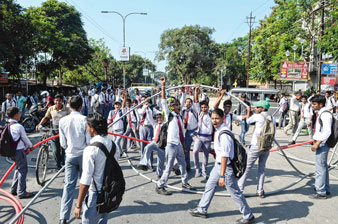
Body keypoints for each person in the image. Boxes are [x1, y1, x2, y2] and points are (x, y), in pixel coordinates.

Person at [188, 108, 255, 224]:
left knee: (234, 192)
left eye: (217, 118)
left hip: (226, 168)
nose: (214, 121)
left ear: (223, 119)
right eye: (212, 118)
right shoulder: (218, 130)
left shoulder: (224, 134)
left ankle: (248, 215)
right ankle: (202, 209)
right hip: (218, 165)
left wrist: (222, 176)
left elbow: (225, 157)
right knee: (209, 186)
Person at [74, 113, 120, 223]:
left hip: (95, 194)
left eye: (88, 126)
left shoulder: (90, 150)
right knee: (103, 220)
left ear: (92, 128)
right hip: (109, 192)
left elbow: (85, 181)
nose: (87, 129)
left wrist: (78, 205)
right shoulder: (114, 145)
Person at [156, 77, 193, 195]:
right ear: (172, 107)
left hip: (179, 145)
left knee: (183, 164)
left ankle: (184, 181)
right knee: (169, 166)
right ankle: (160, 185)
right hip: (171, 145)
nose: (179, 106)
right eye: (176, 105)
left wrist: (183, 91)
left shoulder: (180, 117)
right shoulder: (169, 115)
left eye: (178, 105)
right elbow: (163, 101)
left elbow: (182, 102)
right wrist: (163, 86)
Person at [58, 96, 91, 224]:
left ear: (69, 106)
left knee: (68, 186)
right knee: (86, 184)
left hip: (70, 156)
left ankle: (63, 217)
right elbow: (89, 141)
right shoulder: (85, 120)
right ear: (81, 107)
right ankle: (87, 212)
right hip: (83, 155)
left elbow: (63, 143)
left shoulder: (63, 120)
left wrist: (70, 147)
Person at [238, 100, 275, 198]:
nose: (256, 108)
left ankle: (240, 189)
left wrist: (249, 111)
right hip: (266, 146)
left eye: (258, 107)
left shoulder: (258, 116)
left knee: (247, 167)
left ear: (263, 108)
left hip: (256, 145)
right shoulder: (272, 118)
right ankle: (260, 191)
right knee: (262, 169)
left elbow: (247, 121)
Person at [37, 94, 71, 169]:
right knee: (55, 150)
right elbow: (46, 117)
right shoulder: (51, 109)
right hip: (54, 130)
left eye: (59, 100)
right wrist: (39, 124)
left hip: (64, 131)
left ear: (62, 101)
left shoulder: (67, 109)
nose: (57, 102)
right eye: (56, 100)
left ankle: (63, 163)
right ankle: (58, 164)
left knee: (64, 148)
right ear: (54, 101)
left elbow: (71, 119)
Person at [8, 107, 34, 199]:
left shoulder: (8, 125)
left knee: (18, 169)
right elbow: (25, 139)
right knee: (23, 170)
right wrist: (31, 146)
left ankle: (14, 189)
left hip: (11, 152)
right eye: (19, 113)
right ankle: (22, 192)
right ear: (15, 115)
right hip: (19, 151)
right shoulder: (18, 126)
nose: (20, 114)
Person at [310, 94, 332, 199]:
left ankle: (321, 191)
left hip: (322, 144)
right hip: (321, 142)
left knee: (320, 168)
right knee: (323, 167)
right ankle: (325, 189)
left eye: (314, 104)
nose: (313, 106)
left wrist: (318, 143)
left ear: (321, 104)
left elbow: (327, 131)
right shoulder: (321, 113)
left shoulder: (325, 114)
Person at [192, 84, 212, 179]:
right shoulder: (199, 113)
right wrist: (196, 90)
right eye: (202, 108)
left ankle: (204, 171)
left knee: (206, 155)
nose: (203, 109)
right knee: (195, 151)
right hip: (199, 136)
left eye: (205, 107)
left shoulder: (211, 114)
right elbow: (195, 101)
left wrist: (220, 95)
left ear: (208, 107)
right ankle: (197, 169)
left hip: (207, 137)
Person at [138, 113, 166, 179]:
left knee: (160, 160)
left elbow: (167, 115)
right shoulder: (155, 125)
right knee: (147, 147)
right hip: (154, 142)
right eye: (157, 118)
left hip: (162, 144)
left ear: (163, 118)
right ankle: (144, 163)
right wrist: (147, 109)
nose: (159, 119)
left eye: (160, 118)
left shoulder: (165, 125)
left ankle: (159, 174)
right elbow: (150, 117)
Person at [180, 86, 198, 172]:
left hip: (195, 132)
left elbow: (196, 101)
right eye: (186, 102)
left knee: (197, 149)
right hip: (187, 133)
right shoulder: (183, 111)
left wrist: (195, 91)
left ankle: (198, 167)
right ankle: (187, 165)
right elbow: (181, 102)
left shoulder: (194, 110)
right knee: (186, 150)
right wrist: (183, 92)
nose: (188, 103)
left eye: (189, 102)